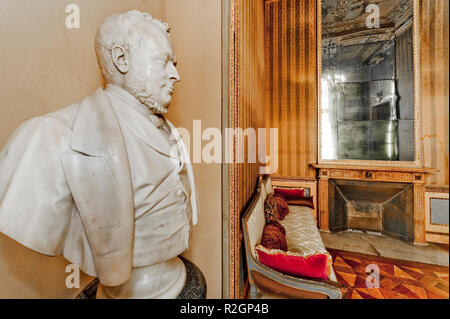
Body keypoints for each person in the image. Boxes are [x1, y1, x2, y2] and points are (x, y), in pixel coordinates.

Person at [0, 10, 199, 299]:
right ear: (122, 60)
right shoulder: (49, 139)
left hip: (174, 277)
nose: (176, 75)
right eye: (163, 62)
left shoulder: (168, 130)